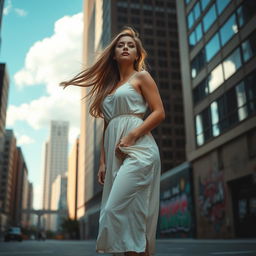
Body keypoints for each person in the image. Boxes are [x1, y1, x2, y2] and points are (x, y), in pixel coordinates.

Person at [60, 26, 165, 256]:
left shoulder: (142, 77)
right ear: (114, 54)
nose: (125, 47)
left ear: (137, 54)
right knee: (131, 216)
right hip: (115, 154)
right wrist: (102, 162)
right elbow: (107, 126)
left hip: (141, 151)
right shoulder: (109, 87)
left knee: (111, 210)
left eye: (131, 45)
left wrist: (131, 135)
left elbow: (159, 112)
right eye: (120, 45)